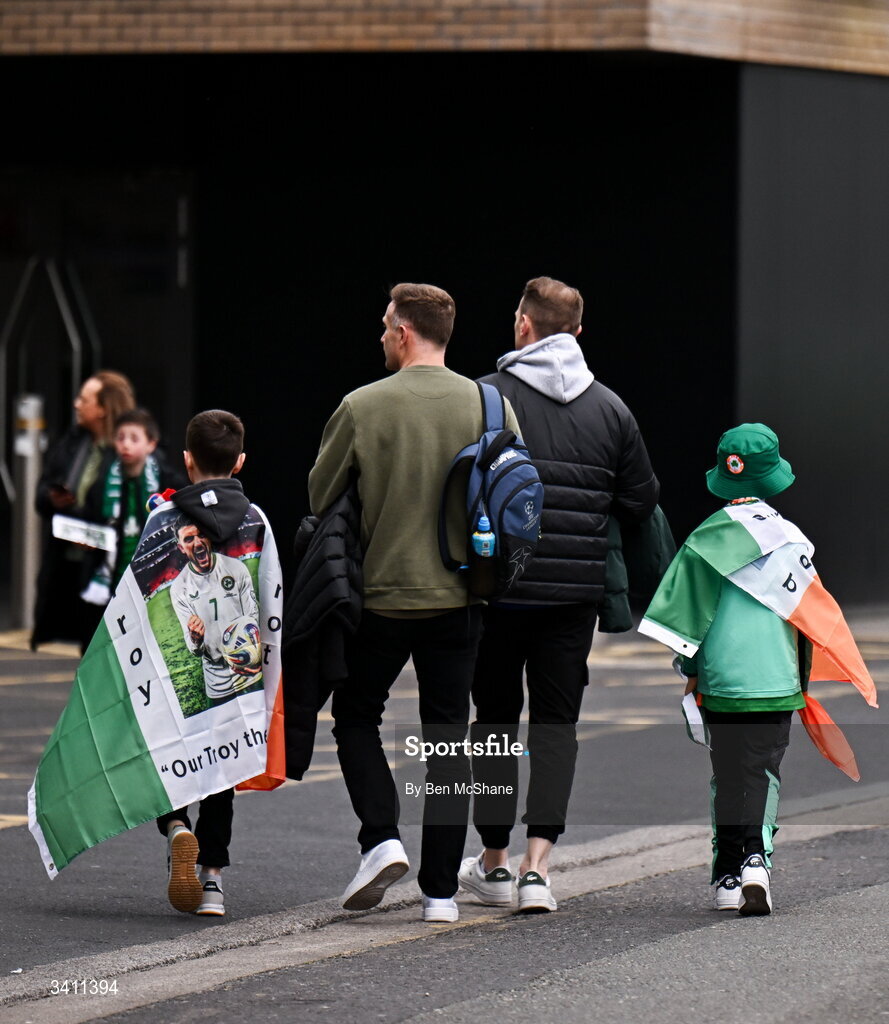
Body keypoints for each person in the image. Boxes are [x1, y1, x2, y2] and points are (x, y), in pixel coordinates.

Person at [308, 283, 521, 924]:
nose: (380, 337)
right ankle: (440, 894)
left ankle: (380, 839)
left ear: (404, 332)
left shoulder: (361, 406)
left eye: (384, 327)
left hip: (380, 597)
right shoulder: (491, 403)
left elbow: (322, 497)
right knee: (449, 736)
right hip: (462, 597)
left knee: (356, 717)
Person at [459, 276, 659, 912]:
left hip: (495, 593)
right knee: (555, 727)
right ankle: (537, 869)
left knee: (492, 723)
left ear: (523, 325)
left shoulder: (483, 399)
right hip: (572, 599)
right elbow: (639, 502)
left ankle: (491, 864)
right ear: (577, 332)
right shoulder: (612, 409)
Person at [639, 423, 876, 915]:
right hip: (776, 682)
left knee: (725, 773)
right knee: (762, 770)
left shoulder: (704, 540)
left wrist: (690, 668)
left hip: (722, 682)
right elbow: (808, 621)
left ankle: (726, 875)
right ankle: (755, 862)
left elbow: (686, 623)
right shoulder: (793, 543)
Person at [157, 408, 265, 917]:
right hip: (240, 681)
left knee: (167, 754)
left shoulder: (164, 520)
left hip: (189, 676)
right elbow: (270, 603)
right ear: (240, 462)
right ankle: (213, 881)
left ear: (186, 460)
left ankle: (177, 826)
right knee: (223, 771)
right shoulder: (255, 520)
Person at [32, 371, 136, 651]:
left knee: (106, 653)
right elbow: (42, 490)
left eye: (84, 399)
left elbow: (131, 512)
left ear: (102, 409)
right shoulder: (74, 442)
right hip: (69, 565)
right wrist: (52, 498)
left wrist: (95, 537)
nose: (77, 404)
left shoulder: (129, 450)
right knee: (86, 652)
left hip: (107, 569)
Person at [80, 408, 184, 607]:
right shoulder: (101, 485)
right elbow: (90, 523)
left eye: (134, 439)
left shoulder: (167, 483)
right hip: (111, 580)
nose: (125, 444)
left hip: (156, 579)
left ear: (151, 444)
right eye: (120, 438)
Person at [170, 518, 261, 701]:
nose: (197, 542)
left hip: (250, 671)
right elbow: (193, 648)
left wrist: (250, 657)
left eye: (201, 535)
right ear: (181, 547)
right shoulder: (180, 588)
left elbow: (253, 618)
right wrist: (196, 639)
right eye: (188, 539)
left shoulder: (236, 568)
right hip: (217, 683)